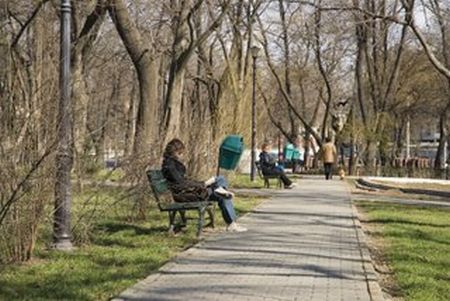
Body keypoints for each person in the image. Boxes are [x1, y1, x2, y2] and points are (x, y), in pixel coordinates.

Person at [161, 138, 247, 232]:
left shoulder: (170, 164)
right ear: (175, 151)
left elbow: (182, 182)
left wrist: (201, 184)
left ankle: (221, 190)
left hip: (187, 193)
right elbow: (181, 183)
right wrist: (203, 184)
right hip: (185, 195)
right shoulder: (169, 165)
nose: (181, 155)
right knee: (222, 187)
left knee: (222, 187)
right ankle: (231, 222)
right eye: (180, 153)